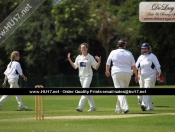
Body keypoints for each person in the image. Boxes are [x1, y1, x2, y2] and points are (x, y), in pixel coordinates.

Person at [105, 39, 138, 114]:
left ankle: (125, 107)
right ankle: (118, 108)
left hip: (117, 73)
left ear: (118, 45)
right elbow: (133, 66)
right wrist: (136, 75)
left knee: (120, 92)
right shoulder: (129, 53)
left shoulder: (113, 52)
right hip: (128, 74)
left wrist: (107, 71)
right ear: (125, 45)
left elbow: (108, 63)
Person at [67, 42, 101, 112]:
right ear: (80, 49)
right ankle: (93, 106)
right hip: (81, 77)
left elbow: (96, 67)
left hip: (88, 76)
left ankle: (80, 107)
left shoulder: (90, 57)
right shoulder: (78, 57)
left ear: (87, 49)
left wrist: (99, 62)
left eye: (84, 47)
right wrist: (69, 59)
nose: (83, 49)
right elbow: (75, 66)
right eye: (82, 48)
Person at [136, 43, 163, 111]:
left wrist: (159, 74)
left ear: (148, 49)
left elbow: (157, 66)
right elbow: (136, 66)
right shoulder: (140, 57)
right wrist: (130, 72)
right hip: (142, 76)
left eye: (145, 48)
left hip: (150, 76)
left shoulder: (152, 56)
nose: (143, 50)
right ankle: (150, 107)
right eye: (142, 48)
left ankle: (144, 104)